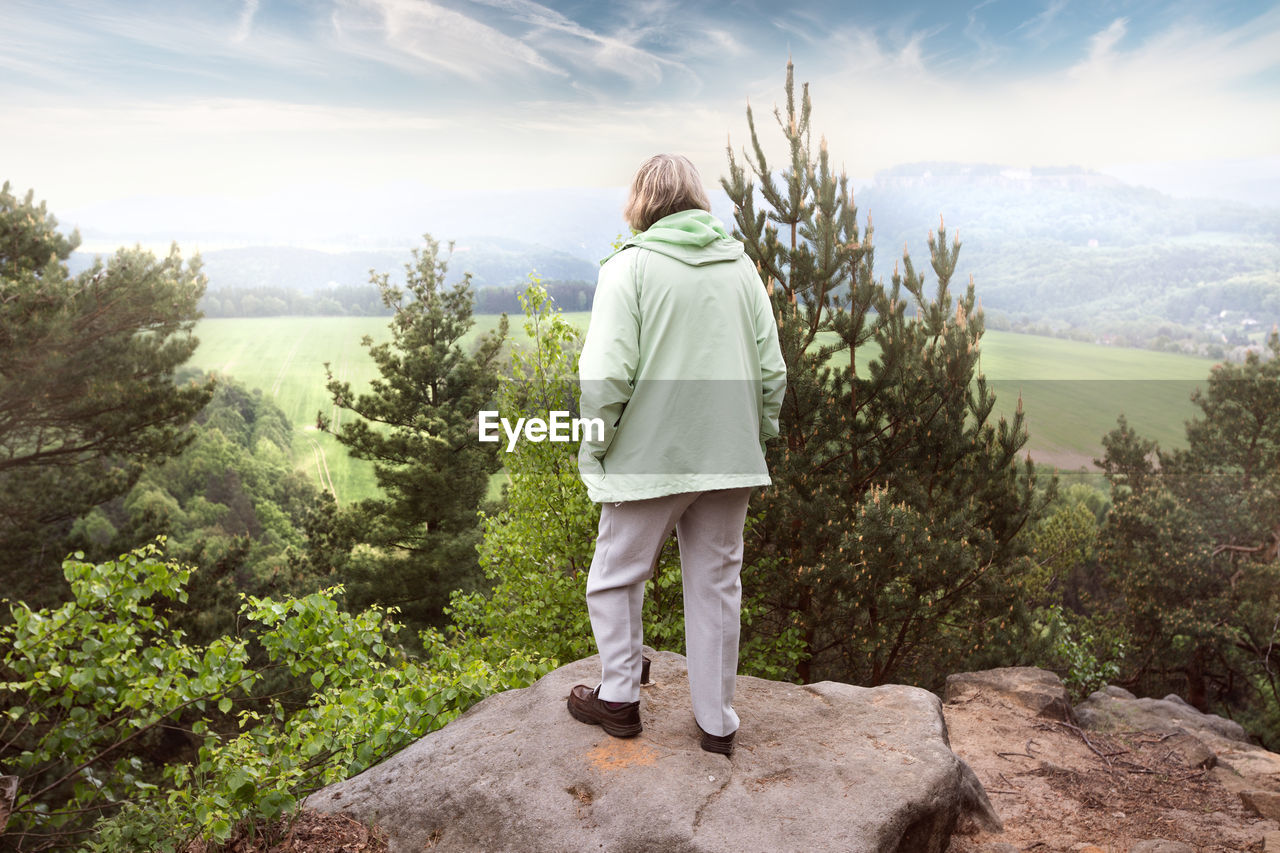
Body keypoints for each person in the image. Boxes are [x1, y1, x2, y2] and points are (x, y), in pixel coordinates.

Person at [566, 153, 786, 756]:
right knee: (717, 585)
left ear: (640, 204)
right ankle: (716, 724)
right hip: (730, 452)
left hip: (649, 455)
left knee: (615, 577)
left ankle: (618, 700)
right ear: (697, 200)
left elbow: (606, 376)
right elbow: (772, 371)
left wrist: (597, 447)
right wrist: (753, 435)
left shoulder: (628, 269)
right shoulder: (741, 270)